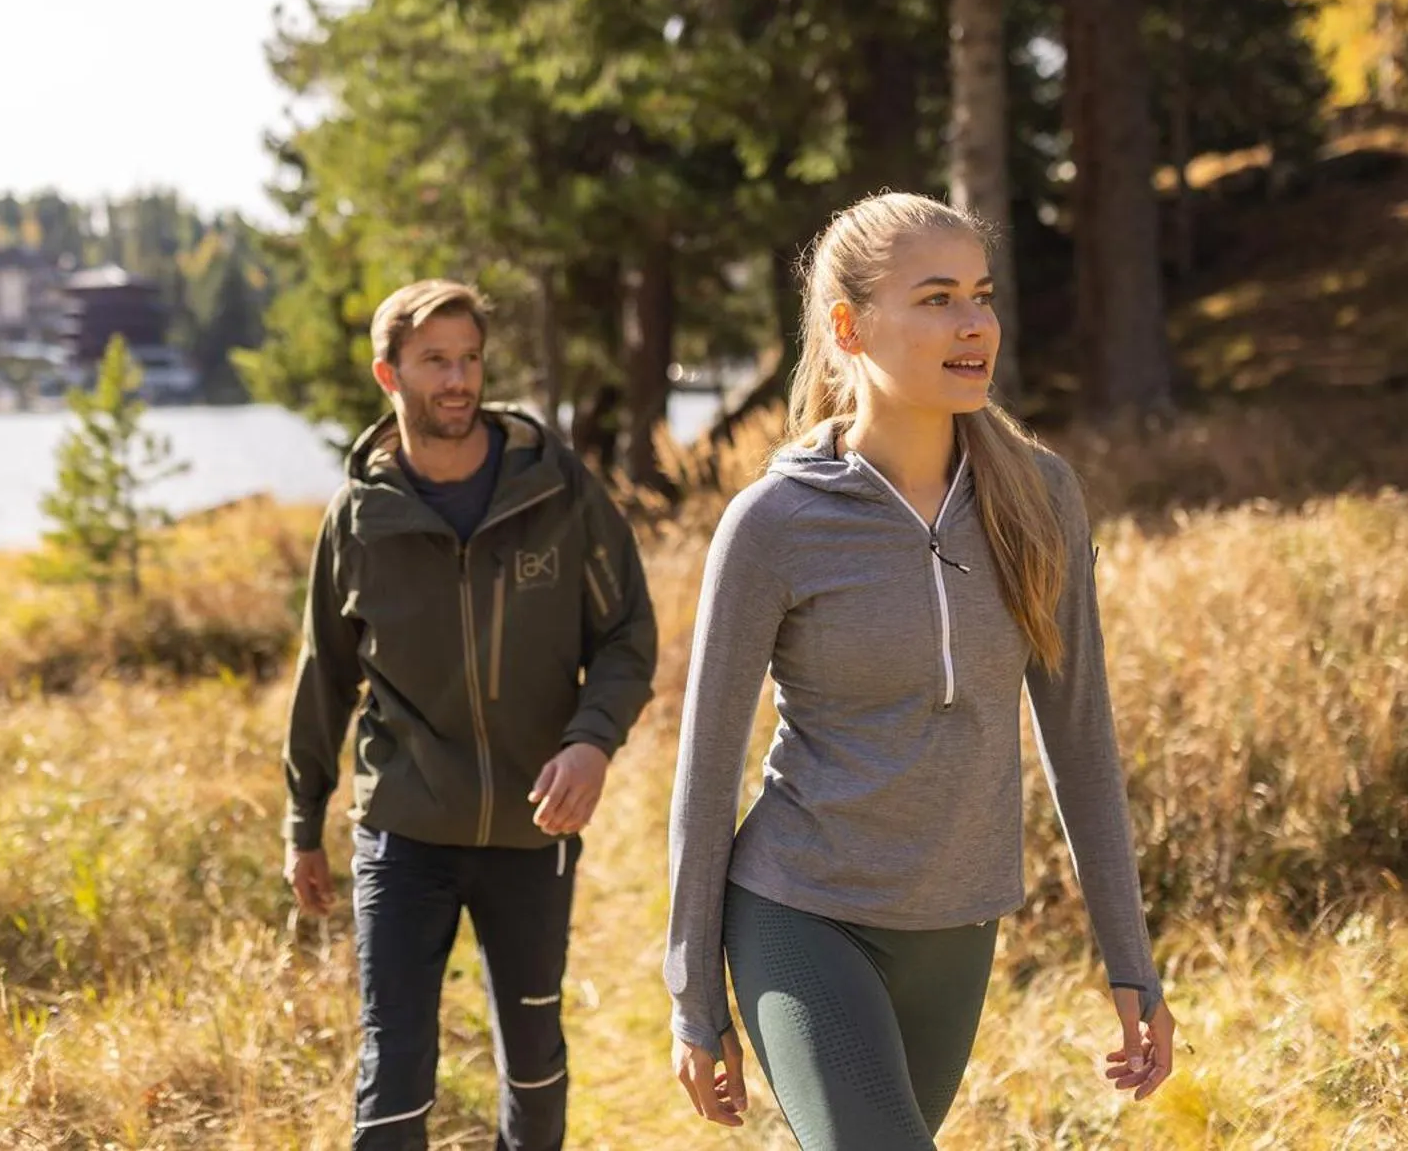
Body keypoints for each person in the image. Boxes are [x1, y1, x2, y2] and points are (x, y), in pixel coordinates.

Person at [663, 192, 1175, 1149]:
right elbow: (706, 772)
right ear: (849, 327)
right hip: (801, 907)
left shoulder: (1040, 496)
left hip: (956, 924)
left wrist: (1130, 960)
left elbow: (1080, 739)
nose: (974, 322)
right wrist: (694, 998)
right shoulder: (775, 523)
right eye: (936, 298)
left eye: (980, 295)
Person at [283, 278, 658, 1151]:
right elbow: (325, 677)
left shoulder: (556, 488)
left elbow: (628, 635)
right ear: (389, 375)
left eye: (470, 359)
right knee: (397, 1064)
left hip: (533, 829)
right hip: (404, 832)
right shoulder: (359, 520)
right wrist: (304, 821)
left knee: (532, 1059)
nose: (458, 380)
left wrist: (591, 742)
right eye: (434, 362)